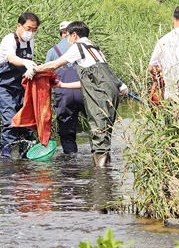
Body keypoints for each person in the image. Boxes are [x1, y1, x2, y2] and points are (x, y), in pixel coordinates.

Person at [24, 21, 128, 167]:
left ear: (74, 35)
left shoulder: (79, 46)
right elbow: (89, 82)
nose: (68, 41)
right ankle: (105, 171)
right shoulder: (95, 50)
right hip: (109, 92)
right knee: (104, 132)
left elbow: (55, 65)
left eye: (69, 37)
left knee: (98, 131)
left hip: (100, 94)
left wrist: (35, 69)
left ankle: (101, 176)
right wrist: (62, 85)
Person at [0, 12, 40, 159]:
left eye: (34, 30)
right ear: (19, 26)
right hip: (3, 85)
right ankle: (6, 155)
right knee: (10, 119)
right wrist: (25, 62)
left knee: (26, 119)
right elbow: (12, 58)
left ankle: (25, 155)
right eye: (28, 28)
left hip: (21, 85)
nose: (30, 33)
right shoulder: (8, 40)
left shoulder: (30, 42)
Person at [45, 21, 87, 154]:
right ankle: (99, 160)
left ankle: (71, 160)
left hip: (63, 95)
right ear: (73, 34)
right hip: (84, 92)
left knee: (67, 131)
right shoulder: (86, 47)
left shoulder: (52, 51)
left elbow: (47, 76)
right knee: (96, 126)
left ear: (61, 35)